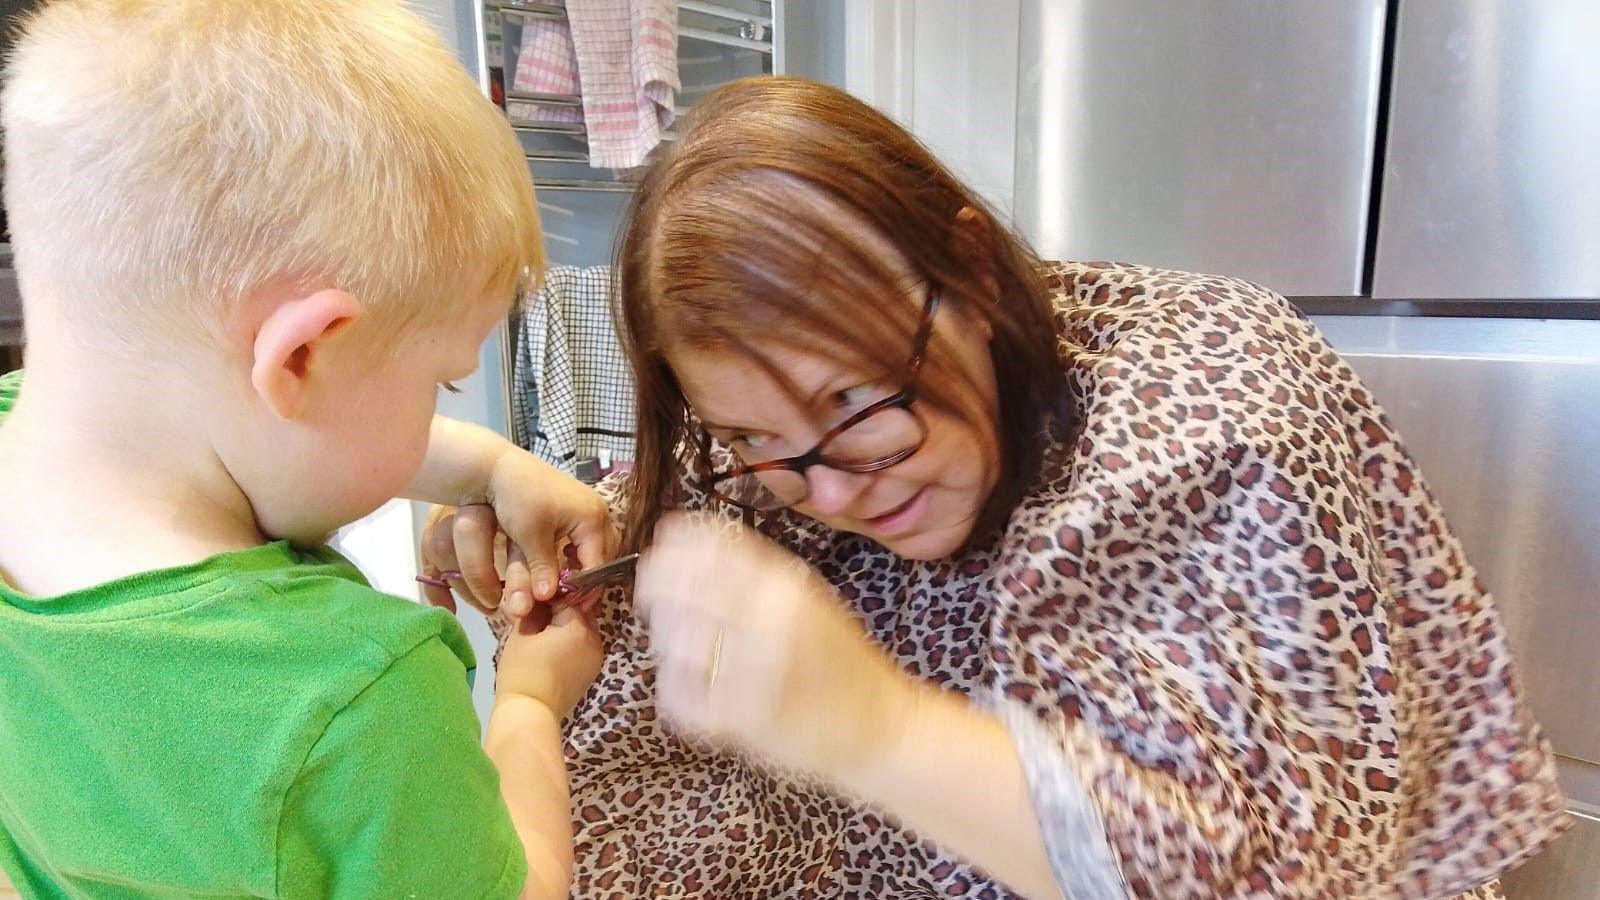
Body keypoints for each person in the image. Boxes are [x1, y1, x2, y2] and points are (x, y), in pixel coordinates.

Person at [427, 76, 1568, 898]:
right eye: (752, 437)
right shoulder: (782, 463)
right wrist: (553, 509)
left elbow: (1256, 863)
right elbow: (709, 513)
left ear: (969, 271)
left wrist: (872, 726)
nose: (830, 492)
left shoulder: (1216, 416)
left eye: (855, 405)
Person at [0, 1, 616, 897]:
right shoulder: (352, 695)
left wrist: (490, 465)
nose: (437, 410)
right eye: (439, 382)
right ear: (301, 354)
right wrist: (528, 701)